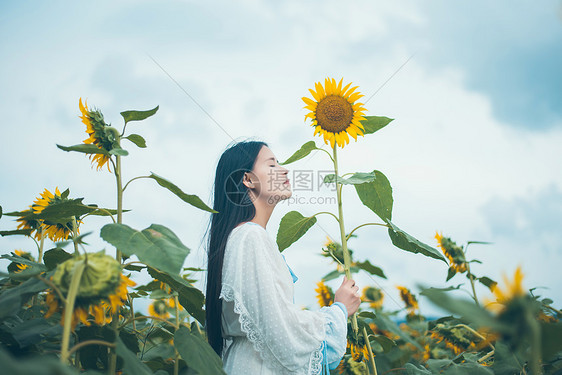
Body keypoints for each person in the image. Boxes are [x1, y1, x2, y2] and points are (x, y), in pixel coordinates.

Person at [204, 139, 361, 374]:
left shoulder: (242, 236)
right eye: (272, 165)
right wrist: (338, 311)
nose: (284, 170)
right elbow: (281, 330)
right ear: (248, 179)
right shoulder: (250, 237)